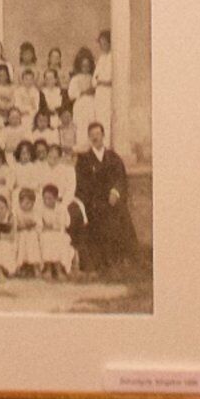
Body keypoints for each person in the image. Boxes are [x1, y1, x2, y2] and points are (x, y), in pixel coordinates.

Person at [72, 119, 139, 279]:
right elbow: (82, 183)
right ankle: (100, 261)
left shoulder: (113, 157)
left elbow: (120, 178)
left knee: (120, 215)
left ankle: (121, 258)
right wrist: (94, 199)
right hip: (93, 202)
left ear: (103, 135)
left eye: (98, 134)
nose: (96, 138)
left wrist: (115, 192)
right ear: (89, 138)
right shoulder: (84, 160)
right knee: (97, 217)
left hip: (112, 200)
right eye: (92, 135)